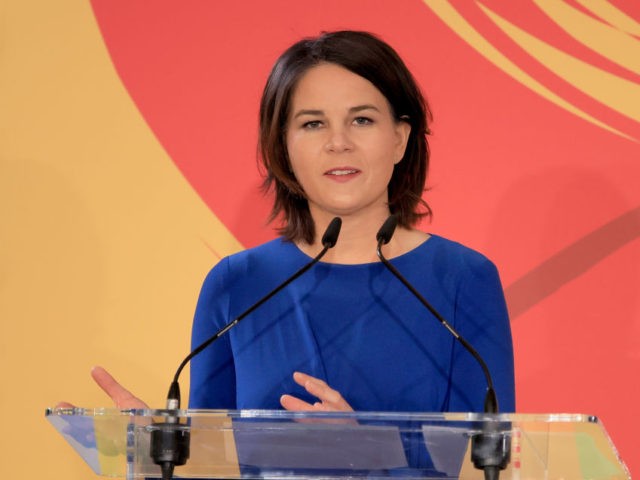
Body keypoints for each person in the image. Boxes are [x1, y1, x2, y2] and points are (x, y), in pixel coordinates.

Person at [90, 30, 514, 413]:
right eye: (313, 124)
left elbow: (484, 464)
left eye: (361, 120)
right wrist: (157, 454)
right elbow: (210, 461)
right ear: (283, 148)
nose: (338, 143)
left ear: (400, 139)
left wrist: (366, 456)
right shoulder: (237, 284)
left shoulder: (463, 278)